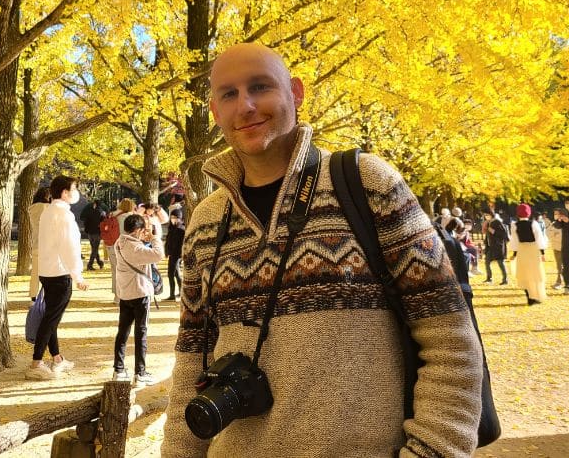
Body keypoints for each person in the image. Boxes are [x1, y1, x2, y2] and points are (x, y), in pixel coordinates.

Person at [160, 43, 482, 457]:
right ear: (215, 110)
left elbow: (451, 345)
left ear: (295, 93)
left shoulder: (369, 185)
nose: (246, 105)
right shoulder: (206, 221)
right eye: (229, 94)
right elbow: (191, 367)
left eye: (261, 86)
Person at [27, 175, 88, 381]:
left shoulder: (48, 211)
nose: (76, 192)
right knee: (51, 318)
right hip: (59, 272)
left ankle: (57, 359)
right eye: (73, 188)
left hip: (47, 270)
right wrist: (77, 275)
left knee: (51, 317)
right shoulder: (63, 215)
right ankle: (36, 363)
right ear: (64, 192)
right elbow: (69, 247)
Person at [112, 213, 165, 385]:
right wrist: (155, 238)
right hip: (140, 293)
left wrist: (145, 238)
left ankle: (118, 370)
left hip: (125, 293)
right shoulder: (136, 248)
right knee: (141, 333)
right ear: (138, 230)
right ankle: (140, 373)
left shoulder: (119, 243)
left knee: (123, 332)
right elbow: (158, 254)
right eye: (143, 230)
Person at [509, 203, 548, 305]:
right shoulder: (534, 224)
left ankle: (529, 298)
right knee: (535, 273)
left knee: (524, 274)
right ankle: (536, 296)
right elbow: (539, 239)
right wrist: (542, 253)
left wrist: (514, 254)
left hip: (522, 250)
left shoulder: (514, 225)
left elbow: (515, 241)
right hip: (533, 249)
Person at [27, 187, 51, 299]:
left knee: (35, 273)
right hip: (48, 245)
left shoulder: (32, 209)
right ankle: (47, 295)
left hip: (36, 243)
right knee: (49, 273)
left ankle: (33, 296)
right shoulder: (47, 207)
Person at [483, 212, 509, 285]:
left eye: (487, 215)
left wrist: (493, 231)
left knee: (501, 263)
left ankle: (505, 279)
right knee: (487, 262)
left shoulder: (497, 222)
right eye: (485, 215)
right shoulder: (489, 223)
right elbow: (487, 235)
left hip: (498, 247)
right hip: (490, 247)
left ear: (491, 215)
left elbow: (503, 233)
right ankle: (489, 278)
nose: (486, 216)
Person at [164, 208, 185, 299]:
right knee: (175, 274)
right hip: (171, 254)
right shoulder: (171, 228)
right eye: (172, 217)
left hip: (177, 255)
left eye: (175, 217)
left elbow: (182, 244)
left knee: (171, 274)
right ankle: (179, 293)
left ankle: (173, 294)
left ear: (180, 218)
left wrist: (180, 255)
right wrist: (166, 252)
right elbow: (168, 241)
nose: (173, 219)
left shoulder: (181, 230)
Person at [81, 200, 105, 270]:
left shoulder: (89, 212)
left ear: (95, 204)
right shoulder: (102, 213)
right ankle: (90, 265)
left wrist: (87, 230)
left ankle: (99, 262)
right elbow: (103, 223)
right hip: (97, 233)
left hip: (90, 233)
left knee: (94, 249)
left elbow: (85, 222)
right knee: (95, 249)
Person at [548, 208, 565, 289]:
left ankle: (561, 282)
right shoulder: (553, 224)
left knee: (563, 266)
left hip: (565, 247)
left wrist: (556, 234)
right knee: (559, 266)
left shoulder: (566, 224)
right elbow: (548, 234)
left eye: (557, 214)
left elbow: (563, 236)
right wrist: (555, 234)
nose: (556, 215)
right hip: (556, 247)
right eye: (555, 214)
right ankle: (560, 281)